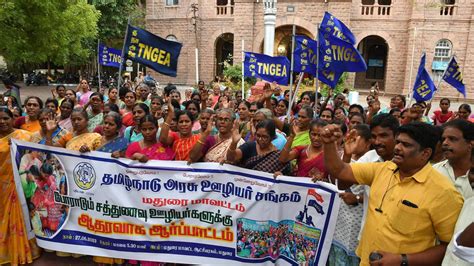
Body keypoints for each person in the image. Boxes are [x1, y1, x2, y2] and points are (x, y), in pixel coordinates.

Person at [321, 121, 463, 266]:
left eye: (406, 145)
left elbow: (450, 247)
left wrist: (403, 260)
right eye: (398, 142)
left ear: (425, 153)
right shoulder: (382, 169)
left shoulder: (443, 192)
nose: (397, 148)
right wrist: (329, 143)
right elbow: (340, 171)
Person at [328, 124, 373, 266]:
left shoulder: (372, 162)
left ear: (368, 143)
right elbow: (338, 182)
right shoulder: (343, 156)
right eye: (350, 138)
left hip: (358, 220)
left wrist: (358, 199)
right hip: (340, 217)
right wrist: (347, 155)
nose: (352, 141)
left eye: (356, 139)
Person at [0, 107, 38, 265]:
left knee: (19, 215)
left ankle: (22, 250)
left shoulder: (24, 136)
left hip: (19, 184)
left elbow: (36, 157)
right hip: (2, 185)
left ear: (13, 119)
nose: (2, 122)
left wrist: (19, 147)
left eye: (5, 118)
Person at [433, 119, 473, 198]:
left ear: (470, 144)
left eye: (452, 139)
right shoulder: (434, 171)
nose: (445, 143)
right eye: (443, 139)